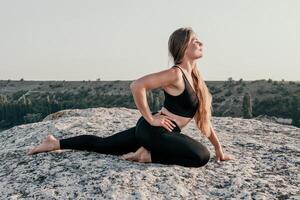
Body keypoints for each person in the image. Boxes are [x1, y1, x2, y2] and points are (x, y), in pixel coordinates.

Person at [27, 27, 234, 167]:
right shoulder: (176, 74)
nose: (201, 43)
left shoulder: (194, 78)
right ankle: (147, 155)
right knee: (201, 157)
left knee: (104, 145)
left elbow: (203, 120)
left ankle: (55, 143)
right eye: (195, 41)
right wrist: (151, 118)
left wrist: (219, 148)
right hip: (154, 131)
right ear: (183, 47)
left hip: (158, 134)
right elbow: (137, 86)